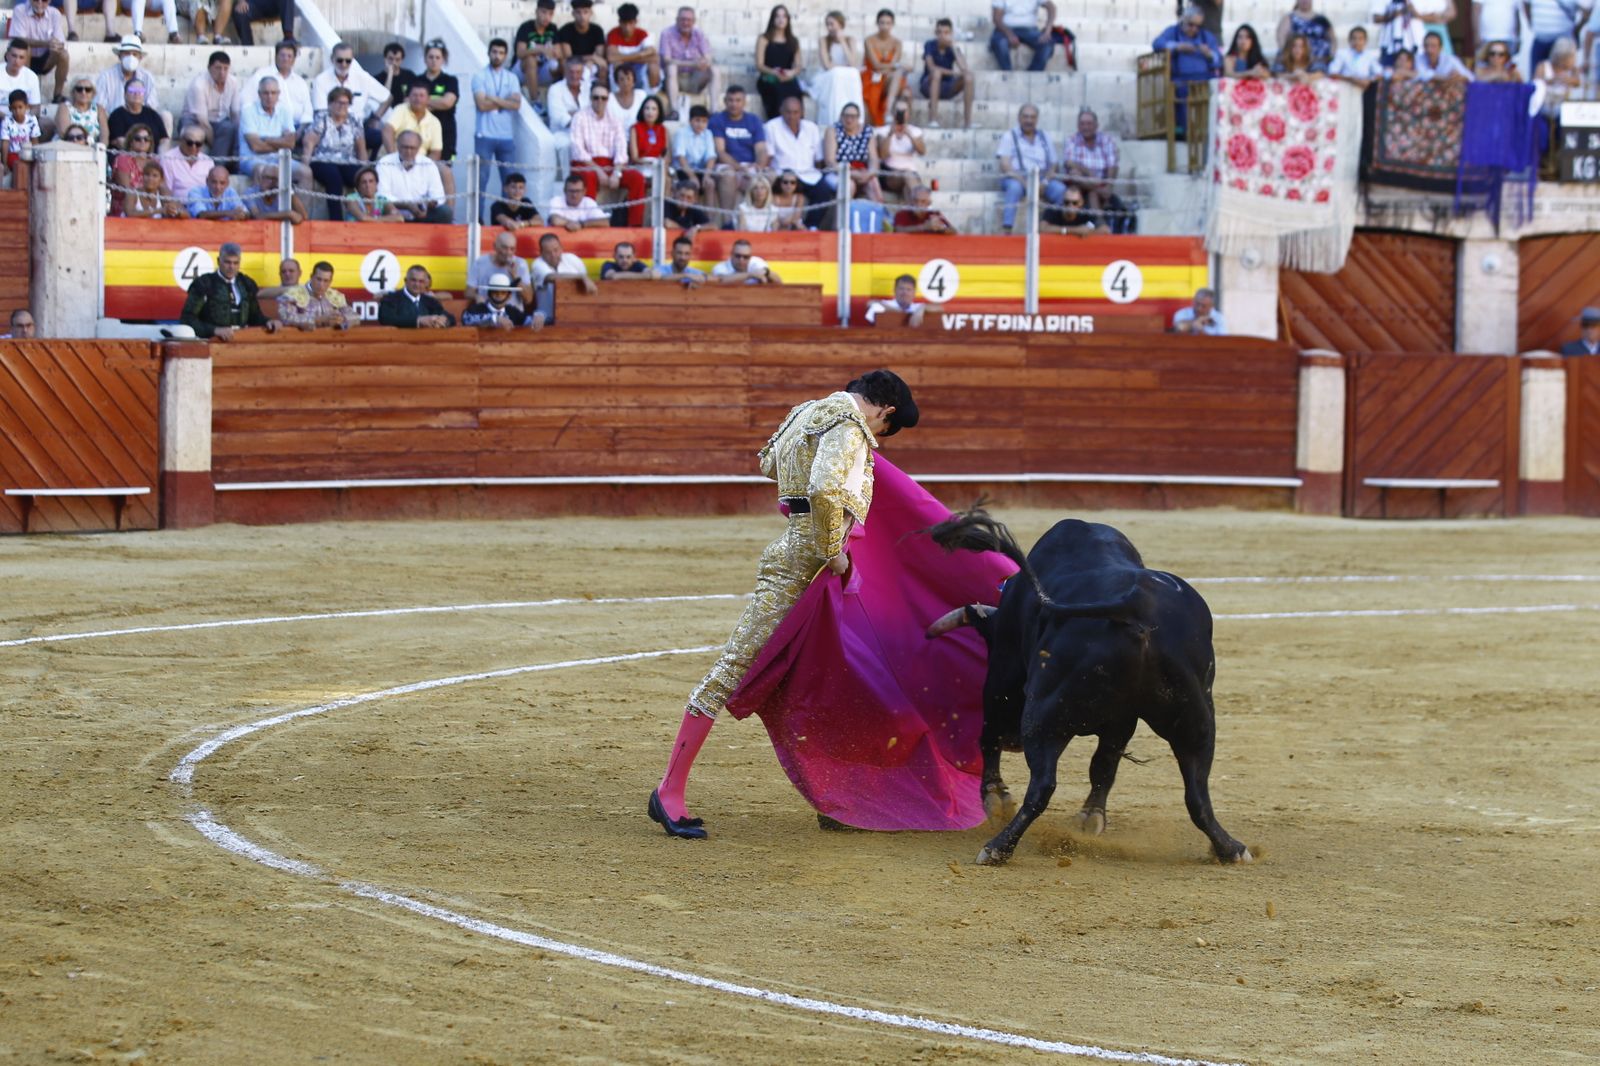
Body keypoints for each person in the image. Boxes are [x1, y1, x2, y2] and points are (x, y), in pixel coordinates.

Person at [648, 369, 919, 839]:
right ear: (884, 411)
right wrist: (834, 552)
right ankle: (668, 792)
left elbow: (769, 463)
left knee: (834, 674)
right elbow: (824, 490)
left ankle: (836, 798)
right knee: (734, 667)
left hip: (797, 552)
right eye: (883, 432)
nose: (877, 438)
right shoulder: (850, 426)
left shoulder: (806, 413)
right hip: (806, 565)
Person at [570, 76, 645, 220]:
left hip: (611, 165)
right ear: (590, 98)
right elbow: (577, 149)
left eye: (603, 98)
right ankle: (589, 221)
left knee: (637, 177)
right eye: (596, 98)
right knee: (588, 176)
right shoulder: (580, 117)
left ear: (608, 99)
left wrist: (616, 173)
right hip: (587, 164)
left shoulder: (615, 119)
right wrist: (599, 171)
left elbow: (621, 148)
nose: (599, 101)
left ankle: (635, 224)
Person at [180, 240, 279, 340]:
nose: (231, 267)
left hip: (241, 341)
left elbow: (254, 316)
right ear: (219, 261)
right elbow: (187, 318)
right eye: (227, 262)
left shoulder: (246, 284)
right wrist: (214, 330)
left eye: (236, 263)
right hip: (211, 342)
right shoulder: (204, 283)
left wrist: (267, 321)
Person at [995, 103, 1064, 234]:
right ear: (1019, 118)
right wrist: (1026, 183)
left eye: (1032, 117)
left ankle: (1052, 226)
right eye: (1025, 117)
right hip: (1017, 177)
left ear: (1037, 119)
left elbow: (1054, 164)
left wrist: (1044, 183)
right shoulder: (1010, 136)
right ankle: (1007, 228)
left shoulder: (1045, 136)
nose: (1029, 120)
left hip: (1042, 178)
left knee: (1060, 190)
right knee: (1014, 188)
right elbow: (1005, 165)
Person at [311, 41, 391, 155]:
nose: (344, 64)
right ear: (332, 59)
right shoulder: (321, 80)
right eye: (340, 60)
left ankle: (369, 166)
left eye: (348, 61)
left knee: (383, 137)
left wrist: (375, 118)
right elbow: (321, 112)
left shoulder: (362, 77)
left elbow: (387, 97)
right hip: (332, 129)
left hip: (359, 127)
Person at [473, 37, 522, 221]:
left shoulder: (511, 78)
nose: (497, 56)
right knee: (481, 181)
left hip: (506, 137)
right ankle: (478, 220)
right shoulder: (480, 76)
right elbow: (481, 105)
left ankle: (505, 219)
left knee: (510, 182)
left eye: (501, 53)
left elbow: (517, 104)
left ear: (506, 55)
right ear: (489, 53)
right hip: (484, 135)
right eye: (494, 52)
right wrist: (505, 102)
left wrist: (492, 99)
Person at [302, 86, 367, 220]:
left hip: (347, 160)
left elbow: (361, 147)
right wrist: (305, 165)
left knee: (360, 178)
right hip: (323, 160)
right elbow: (309, 143)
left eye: (346, 103)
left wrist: (365, 168)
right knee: (334, 178)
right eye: (338, 102)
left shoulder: (354, 121)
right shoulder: (322, 118)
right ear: (330, 104)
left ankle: (365, 216)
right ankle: (336, 220)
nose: (342, 106)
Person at [383, 83, 456, 200]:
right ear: (409, 98)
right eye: (414, 95)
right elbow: (387, 130)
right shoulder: (400, 109)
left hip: (422, 161)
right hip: (397, 157)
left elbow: (436, 152)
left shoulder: (434, 121)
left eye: (422, 96)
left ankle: (447, 215)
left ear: (428, 99)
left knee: (446, 171)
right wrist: (394, 157)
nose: (418, 99)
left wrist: (422, 167)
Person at [764, 95, 827, 226]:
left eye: (795, 112)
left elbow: (819, 159)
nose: (791, 116)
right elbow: (768, 157)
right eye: (788, 112)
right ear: (781, 111)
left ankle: (811, 227)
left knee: (824, 191)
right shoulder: (771, 127)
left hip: (808, 174)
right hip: (782, 175)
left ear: (802, 112)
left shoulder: (812, 128)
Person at [1152, 6, 1222, 125]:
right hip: (1181, 79)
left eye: (1198, 26)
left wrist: (1209, 54)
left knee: (1216, 93)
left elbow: (1219, 60)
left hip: (1204, 79)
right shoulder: (1173, 32)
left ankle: (1206, 130)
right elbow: (1157, 44)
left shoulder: (1206, 36)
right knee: (1181, 92)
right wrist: (1177, 46)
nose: (1194, 29)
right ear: (1183, 21)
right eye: (1191, 24)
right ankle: (1185, 133)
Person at [709, 84, 768, 224]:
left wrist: (759, 166)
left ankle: (760, 222)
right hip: (726, 164)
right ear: (725, 101)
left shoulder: (754, 120)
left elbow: (761, 149)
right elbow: (720, 151)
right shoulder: (717, 120)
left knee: (767, 176)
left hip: (749, 164)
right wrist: (739, 168)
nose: (734, 104)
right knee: (728, 175)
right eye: (730, 100)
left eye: (738, 100)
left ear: (744, 102)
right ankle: (727, 222)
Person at [240, 77, 308, 191]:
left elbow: (291, 144)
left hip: (279, 158)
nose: (270, 97)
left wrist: (265, 139)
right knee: (263, 171)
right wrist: (281, 141)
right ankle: (260, 208)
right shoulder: (248, 111)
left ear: (278, 94)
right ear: (259, 94)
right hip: (252, 159)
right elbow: (256, 146)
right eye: (265, 93)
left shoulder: (285, 111)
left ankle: (301, 209)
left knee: (305, 173)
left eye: (273, 93)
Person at [376, 130, 451, 223]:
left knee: (445, 212)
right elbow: (382, 196)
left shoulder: (428, 164)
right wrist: (407, 205)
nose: (408, 151)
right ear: (397, 146)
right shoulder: (385, 162)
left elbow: (438, 197)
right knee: (380, 207)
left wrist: (426, 204)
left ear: (419, 148)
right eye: (405, 147)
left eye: (412, 148)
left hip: (422, 213)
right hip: (394, 214)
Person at [660, 5, 719, 120]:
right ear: (677, 20)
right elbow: (667, 60)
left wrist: (704, 61)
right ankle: (674, 110)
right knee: (671, 67)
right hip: (675, 78)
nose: (685, 23)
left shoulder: (699, 34)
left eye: (689, 20)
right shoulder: (667, 34)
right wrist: (693, 63)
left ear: (694, 21)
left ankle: (714, 110)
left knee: (714, 70)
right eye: (683, 19)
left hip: (694, 78)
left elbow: (708, 57)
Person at [809, 10, 864, 130]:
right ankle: (834, 117)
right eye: (827, 24)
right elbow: (827, 65)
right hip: (828, 76)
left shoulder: (850, 40)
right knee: (836, 74)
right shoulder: (823, 41)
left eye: (832, 24)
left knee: (854, 74)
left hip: (845, 75)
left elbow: (853, 63)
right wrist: (841, 68)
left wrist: (843, 42)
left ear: (840, 24)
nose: (829, 27)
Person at [823, 100, 883, 204]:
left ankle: (880, 217)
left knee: (874, 185)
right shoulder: (833, 130)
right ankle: (844, 219)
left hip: (861, 172)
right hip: (838, 173)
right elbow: (830, 161)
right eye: (846, 116)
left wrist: (870, 173)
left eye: (853, 116)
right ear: (841, 116)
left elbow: (874, 158)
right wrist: (851, 173)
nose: (849, 119)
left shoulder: (867, 131)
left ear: (858, 118)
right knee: (849, 185)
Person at [180, 51, 239, 156]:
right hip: (194, 120)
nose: (222, 72)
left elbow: (235, 113)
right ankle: (216, 165)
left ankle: (227, 164)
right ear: (209, 68)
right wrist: (214, 144)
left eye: (225, 68)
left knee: (232, 129)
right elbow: (202, 121)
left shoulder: (233, 82)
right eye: (218, 68)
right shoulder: (199, 85)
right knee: (194, 134)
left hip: (219, 121)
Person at [410, 39, 460, 162]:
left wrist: (421, 102)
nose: (434, 61)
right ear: (425, 58)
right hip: (420, 132)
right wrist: (437, 101)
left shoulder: (450, 80)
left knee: (443, 170)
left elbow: (447, 102)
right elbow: (409, 102)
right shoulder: (416, 80)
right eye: (431, 57)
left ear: (443, 59)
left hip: (445, 133)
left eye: (438, 57)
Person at [245, 39, 312, 129]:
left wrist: (300, 130)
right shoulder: (261, 75)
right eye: (282, 55)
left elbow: (307, 110)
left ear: (294, 59)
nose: (286, 59)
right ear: (276, 56)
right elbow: (247, 101)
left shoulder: (300, 82)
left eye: (289, 56)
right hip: (271, 125)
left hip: (299, 127)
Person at [10, 0, 68, 103]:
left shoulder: (54, 13)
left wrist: (55, 47)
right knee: (25, 48)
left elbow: (60, 41)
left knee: (63, 55)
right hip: (23, 58)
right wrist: (47, 43)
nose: (40, 2)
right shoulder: (20, 10)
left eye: (44, 0)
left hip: (45, 59)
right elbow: (19, 40)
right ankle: (24, 93)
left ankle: (57, 95)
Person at [921, 17, 973, 128]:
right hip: (928, 85)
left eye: (946, 33)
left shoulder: (953, 47)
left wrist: (953, 47)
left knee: (968, 77)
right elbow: (932, 68)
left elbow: (965, 69)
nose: (942, 36)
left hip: (947, 87)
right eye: (939, 32)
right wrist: (954, 73)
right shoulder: (929, 45)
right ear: (935, 33)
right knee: (936, 74)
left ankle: (968, 122)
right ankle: (933, 120)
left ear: (951, 33)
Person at [754, 4, 803, 119]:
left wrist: (791, 73)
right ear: (772, 19)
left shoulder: (793, 41)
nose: (781, 19)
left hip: (788, 77)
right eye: (777, 16)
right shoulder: (764, 39)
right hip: (769, 77)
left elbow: (798, 65)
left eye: (784, 16)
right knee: (778, 92)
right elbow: (759, 64)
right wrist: (774, 72)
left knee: (796, 92)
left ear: (788, 19)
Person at [278, 260, 356, 330]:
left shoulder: (334, 296)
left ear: (330, 281)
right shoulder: (293, 294)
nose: (321, 284)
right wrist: (317, 320)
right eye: (318, 279)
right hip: (304, 342)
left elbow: (355, 317)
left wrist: (341, 319)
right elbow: (286, 318)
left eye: (325, 281)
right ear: (311, 277)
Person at [860, 9, 905, 127]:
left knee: (899, 75)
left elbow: (893, 66)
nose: (885, 26)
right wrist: (894, 66)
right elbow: (875, 65)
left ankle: (888, 110)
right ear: (877, 23)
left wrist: (892, 67)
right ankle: (886, 113)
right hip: (870, 77)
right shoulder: (869, 40)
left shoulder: (897, 43)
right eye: (882, 22)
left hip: (888, 79)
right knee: (898, 70)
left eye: (888, 23)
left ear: (892, 24)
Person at [466, 230, 534, 308]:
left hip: (513, 314)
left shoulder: (520, 264)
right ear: (495, 246)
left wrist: (516, 277)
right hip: (487, 313)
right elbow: (468, 292)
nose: (508, 252)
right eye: (504, 248)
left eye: (512, 249)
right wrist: (476, 296)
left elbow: (528, 299)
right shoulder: (480, 263)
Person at [516, 0, 563, 105]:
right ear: (536, 12)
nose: (547, 17)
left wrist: (552, 52)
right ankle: (535, 101)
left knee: (560, 64)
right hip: (522, 71)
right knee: (530, 59)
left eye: (550, 14)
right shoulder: (526, 27)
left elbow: (557, 52)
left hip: (542, 70)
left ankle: (560, 99)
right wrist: (541, 49)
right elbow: (520, 53)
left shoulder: (553, 28)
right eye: (543, 12)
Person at [462, 270, 544, 329]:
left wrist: (539, 316)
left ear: (509, 296)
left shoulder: (512, 311)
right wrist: (495, 319)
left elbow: (529, 320)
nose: (499, 296)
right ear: (489, 294)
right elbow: (467, 319)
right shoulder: (478, 308)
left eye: (503, 293)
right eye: (495, 292)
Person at [378, 264, 454, 328]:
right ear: (406, 281)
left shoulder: (430, 301)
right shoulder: (391, 299)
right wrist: (418, 321)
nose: (417, 284)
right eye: (413, 280)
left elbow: (451, 318)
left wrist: (444, 320)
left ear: (425, 284)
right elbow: (386, 319)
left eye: (421, 281)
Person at [93, 36, 156, 113]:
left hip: (140, 120)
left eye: (135, 54)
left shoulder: (147, 77)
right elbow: (100, 107)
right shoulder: (106, 77)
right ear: (119, 56)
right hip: (114, 120)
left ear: (140, 58)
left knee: (166, 116)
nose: (131, 57)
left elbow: (151, 106)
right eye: (126, 53)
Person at [875, 101, 924, 200]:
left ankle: (916, 209)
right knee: (908, 176)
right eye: (898, 111)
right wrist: (890, 134)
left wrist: (909, 135)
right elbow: (883, 155)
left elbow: (922, 151)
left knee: (908, 190)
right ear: (893, 113)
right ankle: (924, 205)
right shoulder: (883, 131)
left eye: (904, 111)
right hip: (890, 172)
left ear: (909, 113)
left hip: (910, 172)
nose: (901, 114)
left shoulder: (915, 131)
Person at [607, 3, 660, 91]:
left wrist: (622, 58)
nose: (627, 27)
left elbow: (654, 57)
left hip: (639, 67)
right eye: (624, 23)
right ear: (619, 22)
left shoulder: (642, 34)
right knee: (617, 65)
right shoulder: (613, 34)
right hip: (621, 67)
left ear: (636, 22)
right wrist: (641, 55)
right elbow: (611, 58)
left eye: (631, 23)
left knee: (653, 67)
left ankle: (651, 95)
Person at [991, 0, 1056, 71]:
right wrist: (1009, 34)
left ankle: (1031, 75)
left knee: (1047, 44)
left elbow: (1051, 7)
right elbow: (997, 19)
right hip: (1006, 28)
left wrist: (1048, 30)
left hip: (1030, 29)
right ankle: (1008, 75)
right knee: (1000, 43)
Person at [670, 102, 715, 203]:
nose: (700, 124)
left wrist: (707, 176)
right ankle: (693, 215)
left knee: (710, 183)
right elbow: (681, 158)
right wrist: (692, 176)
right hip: (683, 170)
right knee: (692, 184)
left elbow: (711, 157)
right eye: (697, 120)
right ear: (690, 121)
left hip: (700, 170)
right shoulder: (681, 133)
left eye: (704, 121)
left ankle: (710, 217)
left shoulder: (708, 134)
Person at [557, 0, 608, 84]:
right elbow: (569, 57)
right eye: (578, 12)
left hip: (592, 64)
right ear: (573, 13)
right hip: (573, 65)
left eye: (585, 12)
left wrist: (591, 60)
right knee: (566, 63)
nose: (582, 16)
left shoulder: (597, 30)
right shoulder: (566, 30)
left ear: (591, 13)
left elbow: (599, 55)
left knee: (603, 64)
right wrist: (591, 57)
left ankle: (601, 90)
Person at [108, 79, 166, 149]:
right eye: (132, 91)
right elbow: (119, 141)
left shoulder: (152, 114)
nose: (136, 94)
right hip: (127, 156)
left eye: (140, 91)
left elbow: (164, 139)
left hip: (153, 157)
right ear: (125, 94)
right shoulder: (117, 115)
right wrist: (142, 152)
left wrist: (161, 155)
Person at [531, 231, 597, 292]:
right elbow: (550, 277)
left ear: (561, 248)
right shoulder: (537, 263)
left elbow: (586, 280)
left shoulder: (572, 258)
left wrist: (583, 277)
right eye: (548, 252)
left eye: (556, 250)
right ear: (541, 253)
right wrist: (580, 277)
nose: (553, 255)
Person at [107, 122, 151, 213]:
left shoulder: (154, 161)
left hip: (148, 206)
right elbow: (127, 189)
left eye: (146, 139)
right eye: (138, 139)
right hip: (125, 208)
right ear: (131, 142)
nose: (143, 141)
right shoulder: (123, 159)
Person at [159, 124, 212, 197]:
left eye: (198, 144)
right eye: (189, 143)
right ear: (181, 141)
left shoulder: (208, 161)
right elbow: (165, 189)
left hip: (204, 204)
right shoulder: (168, 158)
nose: (193, 147)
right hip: (178, 205)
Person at [1278, 0, 1335, 65]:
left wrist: (1332, 55)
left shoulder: (1322, 19)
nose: (1305, 1)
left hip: (1322, 61)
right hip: (1298, 62)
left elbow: (1333, 40)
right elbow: (1281, 38)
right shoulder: (1289, 18)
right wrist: (1288, 56)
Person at [1372, 0, 1427, 68]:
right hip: (1389, 47)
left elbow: (1437, 17)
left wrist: (1415, 13)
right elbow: (1376, 18)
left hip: (1413, 47)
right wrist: (1399, 12)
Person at [3, 88, 40, 187]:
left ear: (27, 107)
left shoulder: (32, 120)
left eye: (20, 107)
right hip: (13, 154)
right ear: (10, 108)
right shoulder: (7, 121)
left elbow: (35, 141)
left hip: (28, 154)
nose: (17, 111)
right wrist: (4, 163)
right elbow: (5, 143)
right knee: (19, 166)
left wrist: (37, 158)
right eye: (14, 108)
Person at [55, 76, 105, 147]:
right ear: (73, 92)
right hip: (68, 147)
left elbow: (104, 134)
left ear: (93, 93)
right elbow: (64, 132)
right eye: (79, 89)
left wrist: (102, 148)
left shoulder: (99, 109)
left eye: (88, 90)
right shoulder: (64, 107)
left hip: (94, 150)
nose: (83, 92)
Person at [229, 0, 296, 48]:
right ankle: (248, 47)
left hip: (273, 3)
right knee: (240, 12)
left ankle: (288, 36)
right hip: (253, 3)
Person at [712, 238, 783, 284]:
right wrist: (751, 274)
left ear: (750, 257)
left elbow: (779, 282)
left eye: (745, 257)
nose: (741, 260)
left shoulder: (756, 262)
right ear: (731, 255)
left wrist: (767, 272)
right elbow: (720, 280)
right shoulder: (720, 267)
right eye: (738, 256)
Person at [545, 56, 586, 133]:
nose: (574, 76)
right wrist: (585, 115)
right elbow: (559, 118)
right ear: (565, 72)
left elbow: (597, 114)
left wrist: (573, 113)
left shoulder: (589, 87)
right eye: (571, 72)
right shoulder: (555, 89)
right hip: (563, 135)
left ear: (583, 72)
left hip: (587, 134)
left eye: (578, 72)